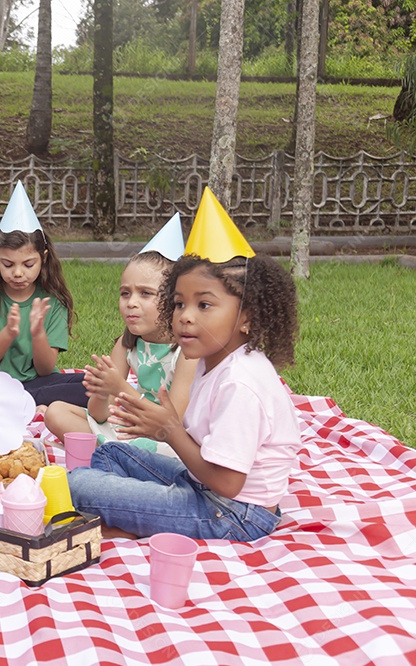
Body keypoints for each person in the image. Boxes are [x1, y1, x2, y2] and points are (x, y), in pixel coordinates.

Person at [68, 190, 300, 541]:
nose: (185, 317)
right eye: (178, 304)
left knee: (78, 484)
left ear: (247, 317)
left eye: (204, 305)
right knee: (114, 451)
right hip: (203, 488)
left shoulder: (241, 383)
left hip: (234, 514)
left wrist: (168, 431)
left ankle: (132, 522)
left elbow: (228, 482)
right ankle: (140, 517)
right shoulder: (213, 360)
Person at [45, 236, 196, 456]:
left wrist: (120, 387)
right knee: (56, 412)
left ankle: (115, 454)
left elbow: (173, 423)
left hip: (171, 437)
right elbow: (100, 415)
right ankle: (119, 454)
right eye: (125, 293)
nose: (131, 302)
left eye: (145, 293)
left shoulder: (187, 351)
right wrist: (101, 392)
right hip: (133, 427)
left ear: (174, 300)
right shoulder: (127, 343)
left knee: (171, 453)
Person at [0, 181, 87, 409]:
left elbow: (46, 369)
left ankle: (20, 402)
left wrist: (37, 332)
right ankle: (18, 403)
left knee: (90, 385)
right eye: (8, 264)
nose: (18, 273)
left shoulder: (53, 300)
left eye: (28, 264)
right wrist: (9, 332)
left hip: (38, 382)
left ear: (44, 258)